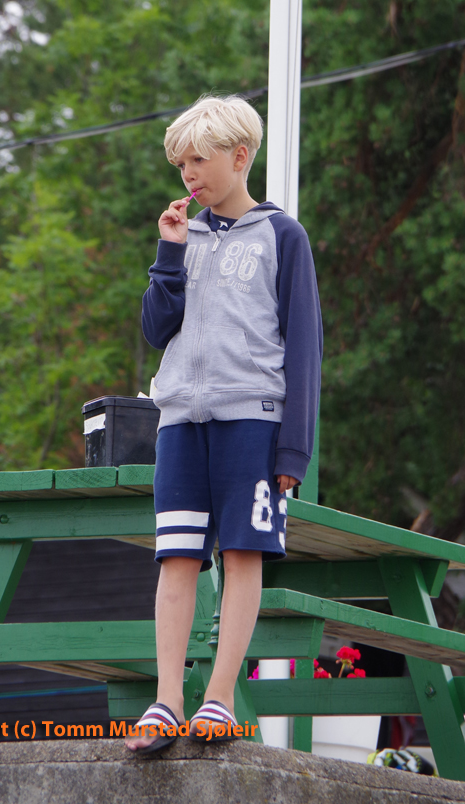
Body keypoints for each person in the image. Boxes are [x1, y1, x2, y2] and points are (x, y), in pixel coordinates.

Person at [125, 94, 322, 752]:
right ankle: (166, 700)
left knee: (242, 557)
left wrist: (294, 450)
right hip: (180, 421)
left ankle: (219, 698)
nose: (188, 175)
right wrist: (169, 253)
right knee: (176, 558)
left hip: (254, 424)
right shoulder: (183, 235)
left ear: (240, 157)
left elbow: (304, 346)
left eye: (198, 161)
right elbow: (157, 329)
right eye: (181, 164)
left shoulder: (283, 237)